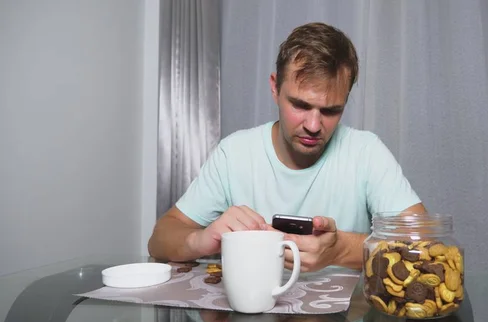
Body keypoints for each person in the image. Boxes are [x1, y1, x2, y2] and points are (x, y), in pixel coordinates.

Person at [148, 22, 426, 272]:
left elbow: (424, 246)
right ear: (274, 87)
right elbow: (159, 239)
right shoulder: (234, 154)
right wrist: (201, 239)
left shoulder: (366, 152)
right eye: (301, 105)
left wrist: (341, 249)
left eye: (331, 110)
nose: (314, 125)